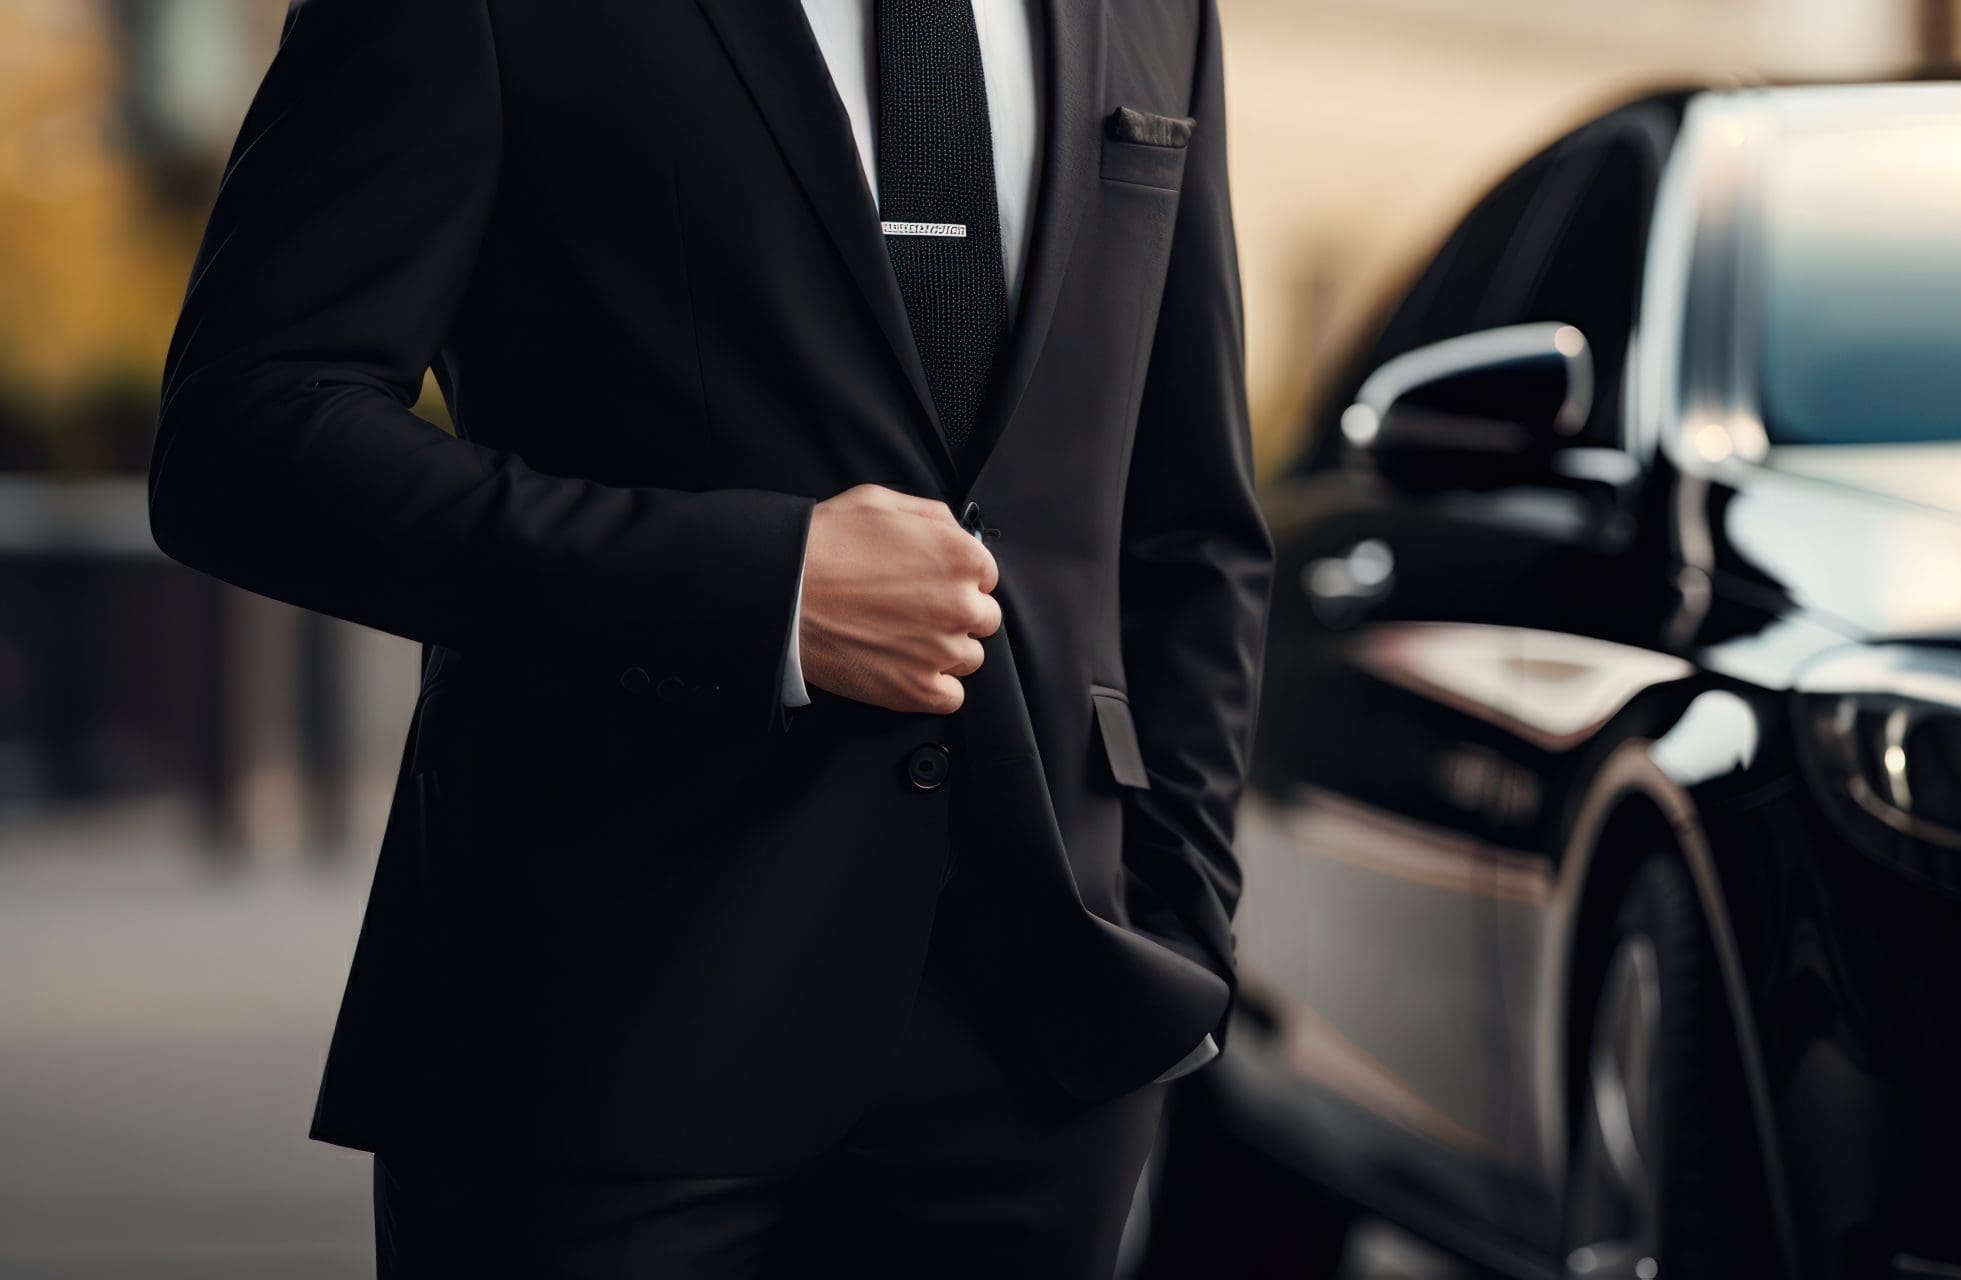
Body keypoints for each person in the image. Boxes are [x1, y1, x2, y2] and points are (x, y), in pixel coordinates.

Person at [149, 0, 1269, 1272]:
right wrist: (761, 586)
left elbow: (1188, 524)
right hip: (597, 1009)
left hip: (1044, 1041)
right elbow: (246, 439)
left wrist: (1182, 926)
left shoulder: (1158, 10)